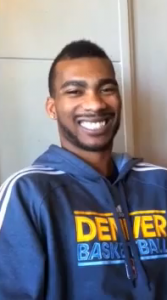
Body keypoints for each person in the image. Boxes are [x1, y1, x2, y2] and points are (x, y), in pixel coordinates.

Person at [0, 40, 167, 300]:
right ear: (52, 107)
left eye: (107, 89)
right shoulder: (27, 193)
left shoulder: (160, 182)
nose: (95, 104)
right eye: (75, 91)